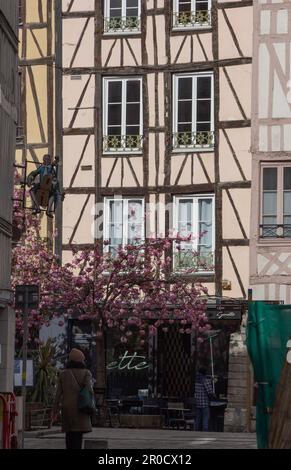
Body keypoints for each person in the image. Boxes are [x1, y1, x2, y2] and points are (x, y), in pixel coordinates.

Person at [51, 348, 93, 449]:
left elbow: (58, 394)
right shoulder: (86, 373)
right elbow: (89, 390)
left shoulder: (63, 374)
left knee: (69, 435)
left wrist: (54, 411)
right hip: (80, 408)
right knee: (78, 436)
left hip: (67, 409)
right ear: (80, 360)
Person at [194, 367, 216, 432]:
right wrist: (213, 394)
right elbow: (209, 391)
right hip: (204, 403)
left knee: (198, 419)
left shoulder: (197, 380)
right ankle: (205, 432)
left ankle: (196, 431)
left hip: (198, 403)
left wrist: (210, 380)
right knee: (205, 418)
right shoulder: (205, 381)